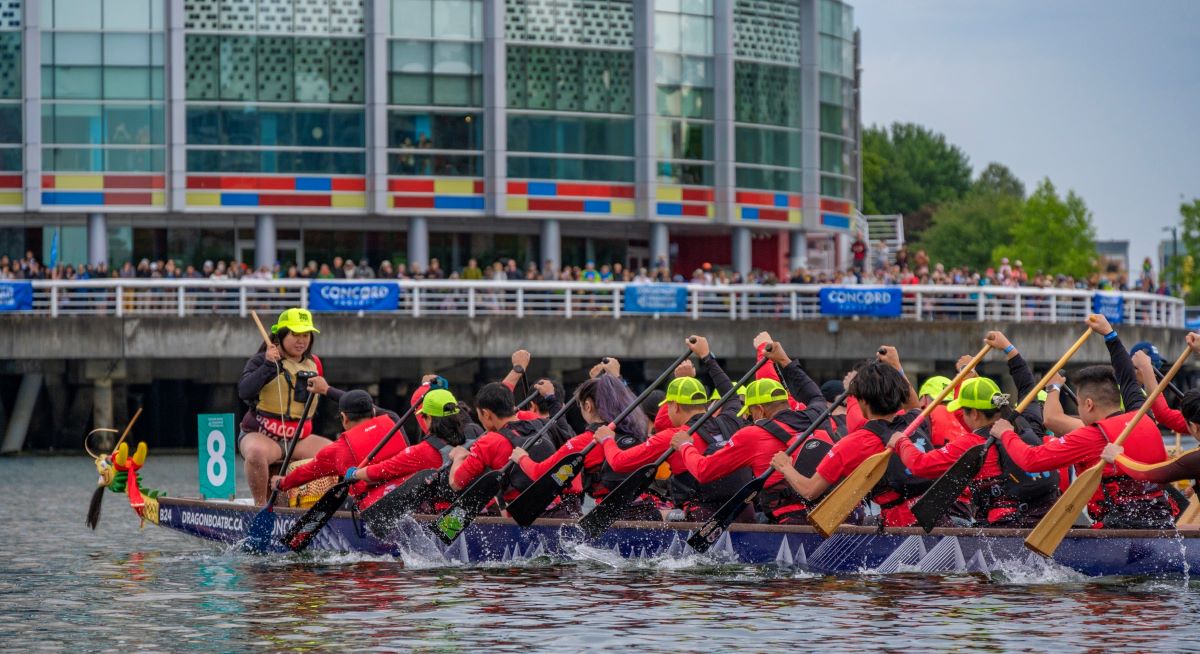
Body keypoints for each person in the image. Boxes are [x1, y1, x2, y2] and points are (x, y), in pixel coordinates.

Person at [994, 315, 1174, 529]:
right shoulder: (1144, 416)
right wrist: (1110, 335)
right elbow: (1126, 378)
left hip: (1119, 531)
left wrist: (1006, 432)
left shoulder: (1091, 436)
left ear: (1088, 404)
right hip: (1164, 522)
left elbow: (1031, 460)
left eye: (1078, 405)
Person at [889, 332, 1059, 526]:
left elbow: (920, 464)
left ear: (976, 414)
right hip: (1045, 522)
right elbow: (1028, 388)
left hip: (1003, 529)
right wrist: (1008, 349)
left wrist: (901, 442)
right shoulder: (1026, 422)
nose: (960, 414)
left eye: (963, 410)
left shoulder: (972, 445)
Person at [669, 340, 839, 524]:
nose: (749, 418)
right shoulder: (819, 415)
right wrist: (784, 360)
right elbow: (813, 393)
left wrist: (685, 446)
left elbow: (703, 471)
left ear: (759, 409)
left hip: (797, 523)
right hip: (839, 514)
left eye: (750, 413)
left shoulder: (752, 435)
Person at [766, 351, 933, 528]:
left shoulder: (855, 443)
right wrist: (896, 365)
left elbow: (809, 491)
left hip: (902, 530)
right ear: (900, 394)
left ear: (862, 401)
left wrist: (785, 466)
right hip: (939, 518)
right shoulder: (915, 422)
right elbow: (913, 403)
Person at [594, 336, 748, 521]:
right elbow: (729, 393)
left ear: (674, 406)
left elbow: (619, 463)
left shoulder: (673, 438)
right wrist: (707, 357)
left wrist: (607, 440)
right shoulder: (732, 420)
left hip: (703, 519)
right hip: (744, 513)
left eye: (667, 406)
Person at [511, 362, 655, 519]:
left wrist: (522, 458)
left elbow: (540, 474)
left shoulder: (584, 442)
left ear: (587, 405)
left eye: (580, 405)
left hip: (615, 521)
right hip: (649, 512)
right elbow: (626, 401)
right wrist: (616, 378)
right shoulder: (639, 431)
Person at [237, 308, 338, 505]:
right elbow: (244, 392)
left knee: (336, 453)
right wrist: (267, 366)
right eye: (295, 335)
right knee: (256, 453)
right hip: (264, 435)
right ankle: (260, 508)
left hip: (300, 438)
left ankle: (322, 506)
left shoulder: (314, 363)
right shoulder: (261, 360)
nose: (302, 340)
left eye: (306, 335)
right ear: (281, 335)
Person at [270, 390, 405, 509]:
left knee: (336, 499)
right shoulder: (393, 424)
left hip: (371, 508)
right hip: (405, 495)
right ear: (373, 412)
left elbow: (305, 473)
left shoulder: (337, 450)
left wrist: (281, 483)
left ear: (344, 418)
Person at [346, 388, 472, 510]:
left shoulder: (422, 451)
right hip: (464, 510)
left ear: (429, 418)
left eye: (423, 417)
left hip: (437, 513)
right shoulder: (471, 441)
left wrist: (355, 474)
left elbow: (383, 470)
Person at [448, 380, 567, 509]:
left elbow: (456, 483)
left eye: (479, 415)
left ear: (486, 414)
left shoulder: (488, 442)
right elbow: (565, 434)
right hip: (557, 509)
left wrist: (458, 457)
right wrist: (551, 398)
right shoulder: (541, 423)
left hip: (521, 517)